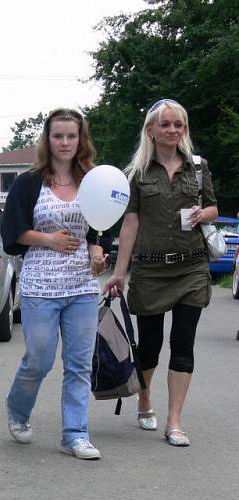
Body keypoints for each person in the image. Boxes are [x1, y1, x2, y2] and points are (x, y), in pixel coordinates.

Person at [104, 99, 217, 447]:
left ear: (184, 130)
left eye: (178, 125)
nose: (172, 130)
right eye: (165, 124)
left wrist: (204, 214)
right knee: (150, 347)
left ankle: (175, 421)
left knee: (183, 344)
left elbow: (213, 206)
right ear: (151, 130)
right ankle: (144, 397)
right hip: (151, 270)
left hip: (192, 268)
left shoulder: (197, 168)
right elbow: (131, 223)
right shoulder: (136, 174)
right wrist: (119, 272)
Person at [1, 108, 108, 460]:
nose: (65, 142)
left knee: (79, 364)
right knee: (40, 359)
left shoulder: (93, 180)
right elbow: (12, 235)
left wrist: (97, 252)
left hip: (81, 287)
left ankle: (75, 434)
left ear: (81, 140)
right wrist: (48, 240)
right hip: (40, 287)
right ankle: (18, 408)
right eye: (58, 136)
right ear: (47, 139)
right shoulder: (29, 182)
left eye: (71, 136)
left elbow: (97, 231)